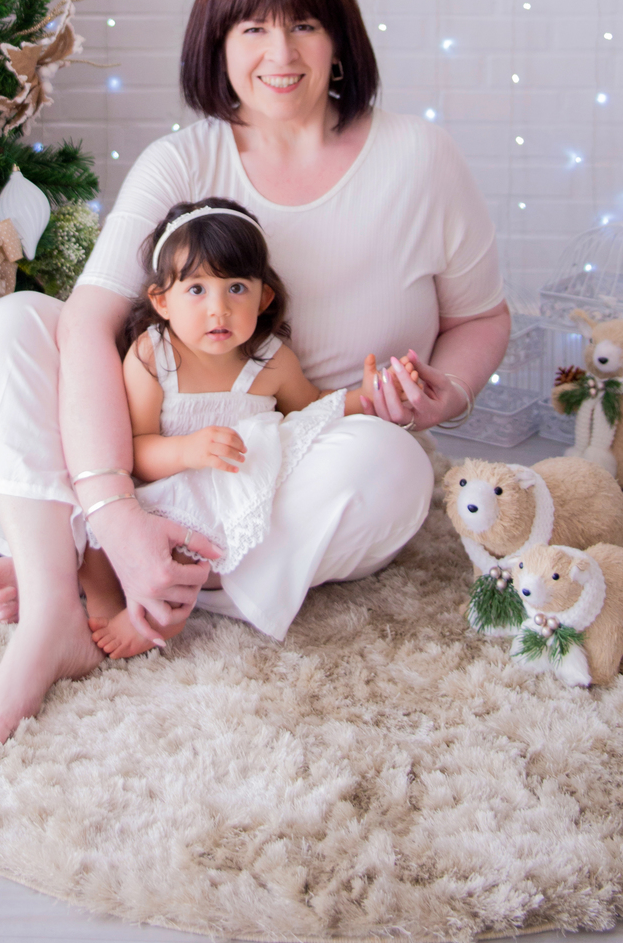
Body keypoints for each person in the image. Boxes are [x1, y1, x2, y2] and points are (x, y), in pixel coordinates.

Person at [0, 0, 509, 748]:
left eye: (305, 26)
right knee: (15, 324)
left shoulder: (420, 158)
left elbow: (481, 320)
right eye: (252, 29)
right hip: (159, 446)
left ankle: (98, 570)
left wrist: (447, 393)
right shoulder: (182, 161)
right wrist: (114, 507)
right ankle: (60, 608)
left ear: (340, 42)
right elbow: (88, 322)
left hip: (306, 454)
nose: (280, 53)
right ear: (217, 46)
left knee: (389, 467)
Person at [82, 196, 410, 658]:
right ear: (162, 302)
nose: (219, 309)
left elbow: (313, 411)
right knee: (94, 529)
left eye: (236, 288)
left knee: (209, 551)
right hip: (165, 496)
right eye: (196, 290)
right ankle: (100, 594)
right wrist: (188, 452)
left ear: (264, 296)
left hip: (236, 496)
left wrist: (370, 397)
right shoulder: (153, 356)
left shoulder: (271, 360)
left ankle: (160, 608)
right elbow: (133, 450)